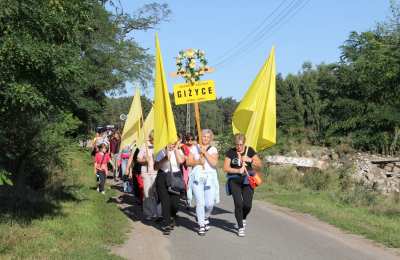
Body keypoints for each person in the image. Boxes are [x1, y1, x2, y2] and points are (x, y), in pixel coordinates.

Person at [223, 133, 262, 237]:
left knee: (247, 205)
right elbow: (226, 168)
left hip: (248, 180)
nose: (239, 147)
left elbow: (259, 164)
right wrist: (237, 170)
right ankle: (240, 227)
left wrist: (250, 160)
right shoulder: (231, 152)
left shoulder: (250, 150)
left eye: (240, 144)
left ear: (244, 143)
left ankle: (243, 217)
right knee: (238, 203)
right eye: (237, 144)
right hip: (234, 180)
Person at [187, 129, 220, 236]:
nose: (205, 138)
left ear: (210, 139)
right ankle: (201, 225)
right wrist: (197, 161)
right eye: (203, 136)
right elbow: (188, 162)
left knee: (209, 203)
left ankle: (205, 217)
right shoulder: (194, 148)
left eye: (207, 137)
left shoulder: (213, 149)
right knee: (200, 203)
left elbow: (214, 163)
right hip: (197, 177)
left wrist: (204, 152)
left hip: (210, 178)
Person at [155, 141, 185, 235]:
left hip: (175, 177)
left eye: (173, 143)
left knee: (175, 203)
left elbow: (181, 161)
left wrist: (175, 149)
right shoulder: (161, 152)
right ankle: (166, 223)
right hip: (162, 177)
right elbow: (155, 167)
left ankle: (172, 216)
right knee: (165, 201)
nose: (171, 145)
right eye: (169, 143)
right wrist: (165, 157)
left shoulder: (179, 151)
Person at [137, 131, 161, 221]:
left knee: (156, 193)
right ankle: (149, 213)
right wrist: (144, 160)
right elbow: (138, 159)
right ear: (151, 138)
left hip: (156, 172)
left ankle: (157, 212)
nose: (155, 140)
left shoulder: (159, 146)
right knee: (147, 193)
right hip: (146, 172)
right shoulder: (145, 145)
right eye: (154, 139)